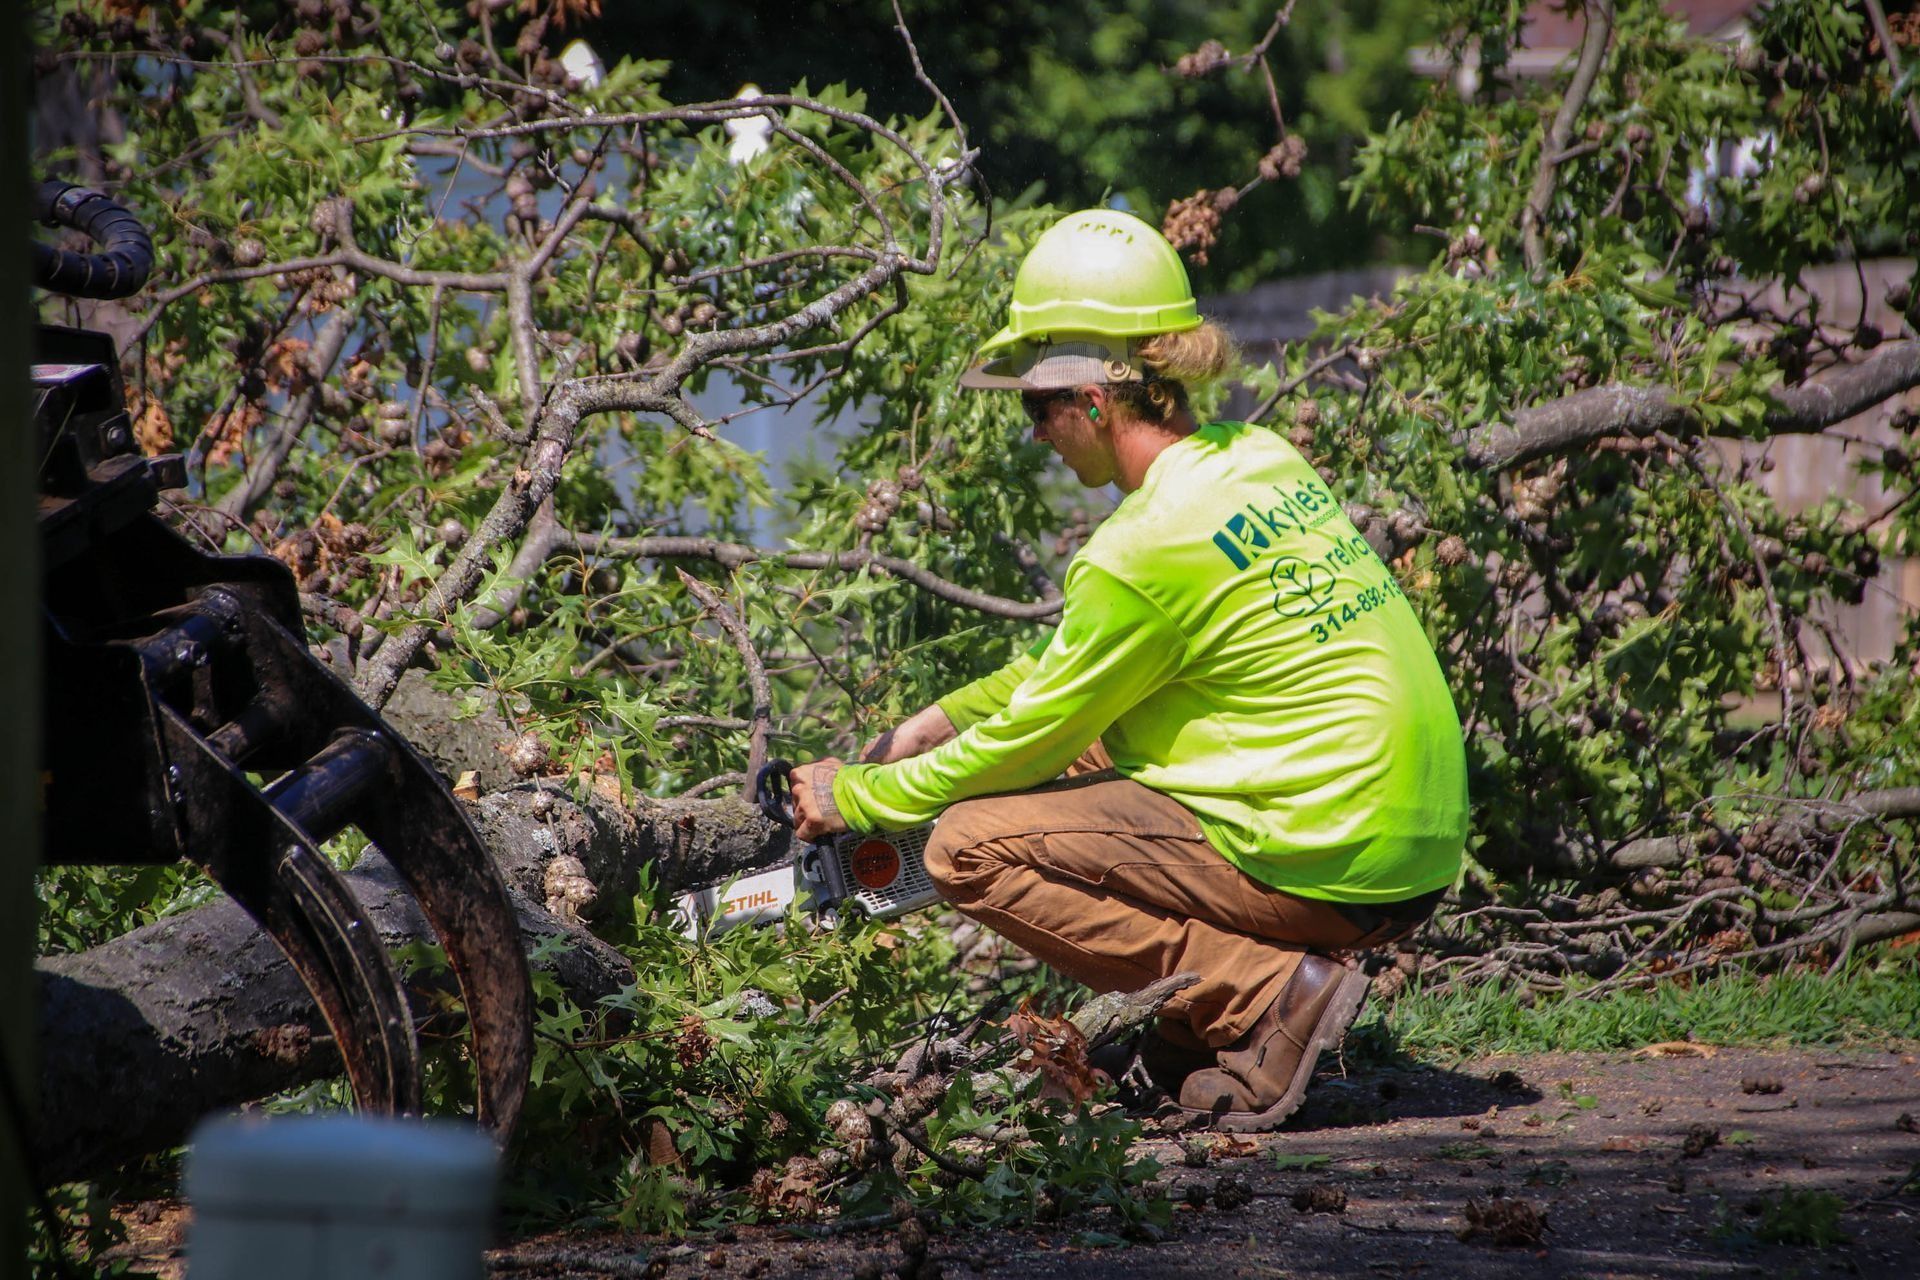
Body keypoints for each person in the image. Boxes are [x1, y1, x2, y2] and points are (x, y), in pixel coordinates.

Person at [790, 208, 1468, 1131]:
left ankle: (1265, 1000)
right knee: (1079, 757)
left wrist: (865, 797)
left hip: (1334, 854)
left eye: (1039, 407)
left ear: (1097, 402)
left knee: (965, 847)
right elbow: (1081, 667)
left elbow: (1035, 736)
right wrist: (939, 719)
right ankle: (1194, 1030)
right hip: (1413, 845)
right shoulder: (1259, 458)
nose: (1037, 435)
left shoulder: (1138, 546)